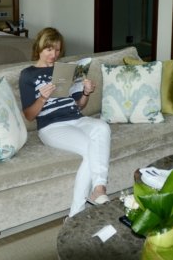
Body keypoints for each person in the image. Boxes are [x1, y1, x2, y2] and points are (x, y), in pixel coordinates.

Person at [19, 27, 111, 216]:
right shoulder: (28, 74)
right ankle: (76, 214)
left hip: (76, 119)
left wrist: (86, 92)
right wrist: (42, 98)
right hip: (51, 126)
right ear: (39, 48)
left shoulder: (66, 71)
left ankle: (98, 188)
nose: (54, 55)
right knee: (90, 148)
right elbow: (29, 115)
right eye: (49, 49)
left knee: (102, 127)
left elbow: (80, 105)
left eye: (57, 50)